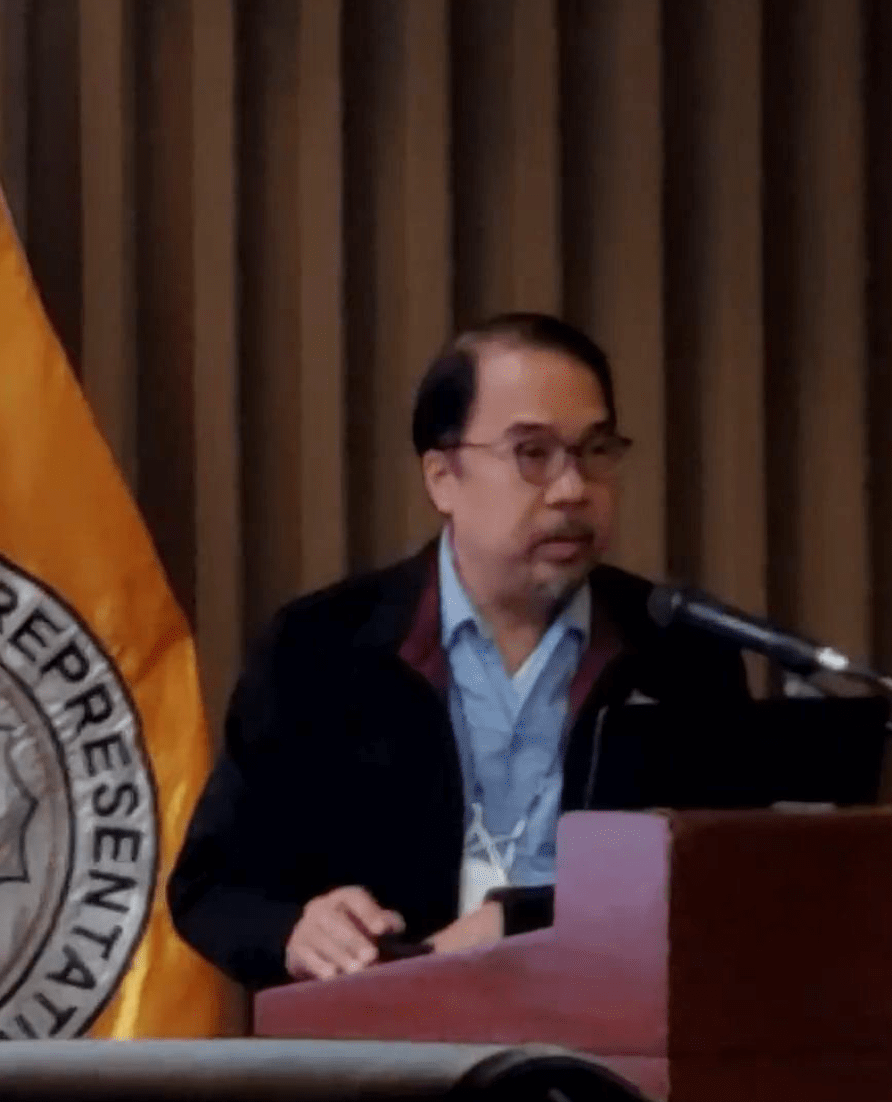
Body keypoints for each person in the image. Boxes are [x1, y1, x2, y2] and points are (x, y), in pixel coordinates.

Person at [165, 312, 751, 990]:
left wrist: (527, 922)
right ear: (443, 476)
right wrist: (295, 928)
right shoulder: (319, 648)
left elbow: (725, 898)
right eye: (532, 454)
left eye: (595, 452)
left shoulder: (680, 654)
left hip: (611, 1047)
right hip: (392, 1051)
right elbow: (212, 889)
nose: (572, 489)